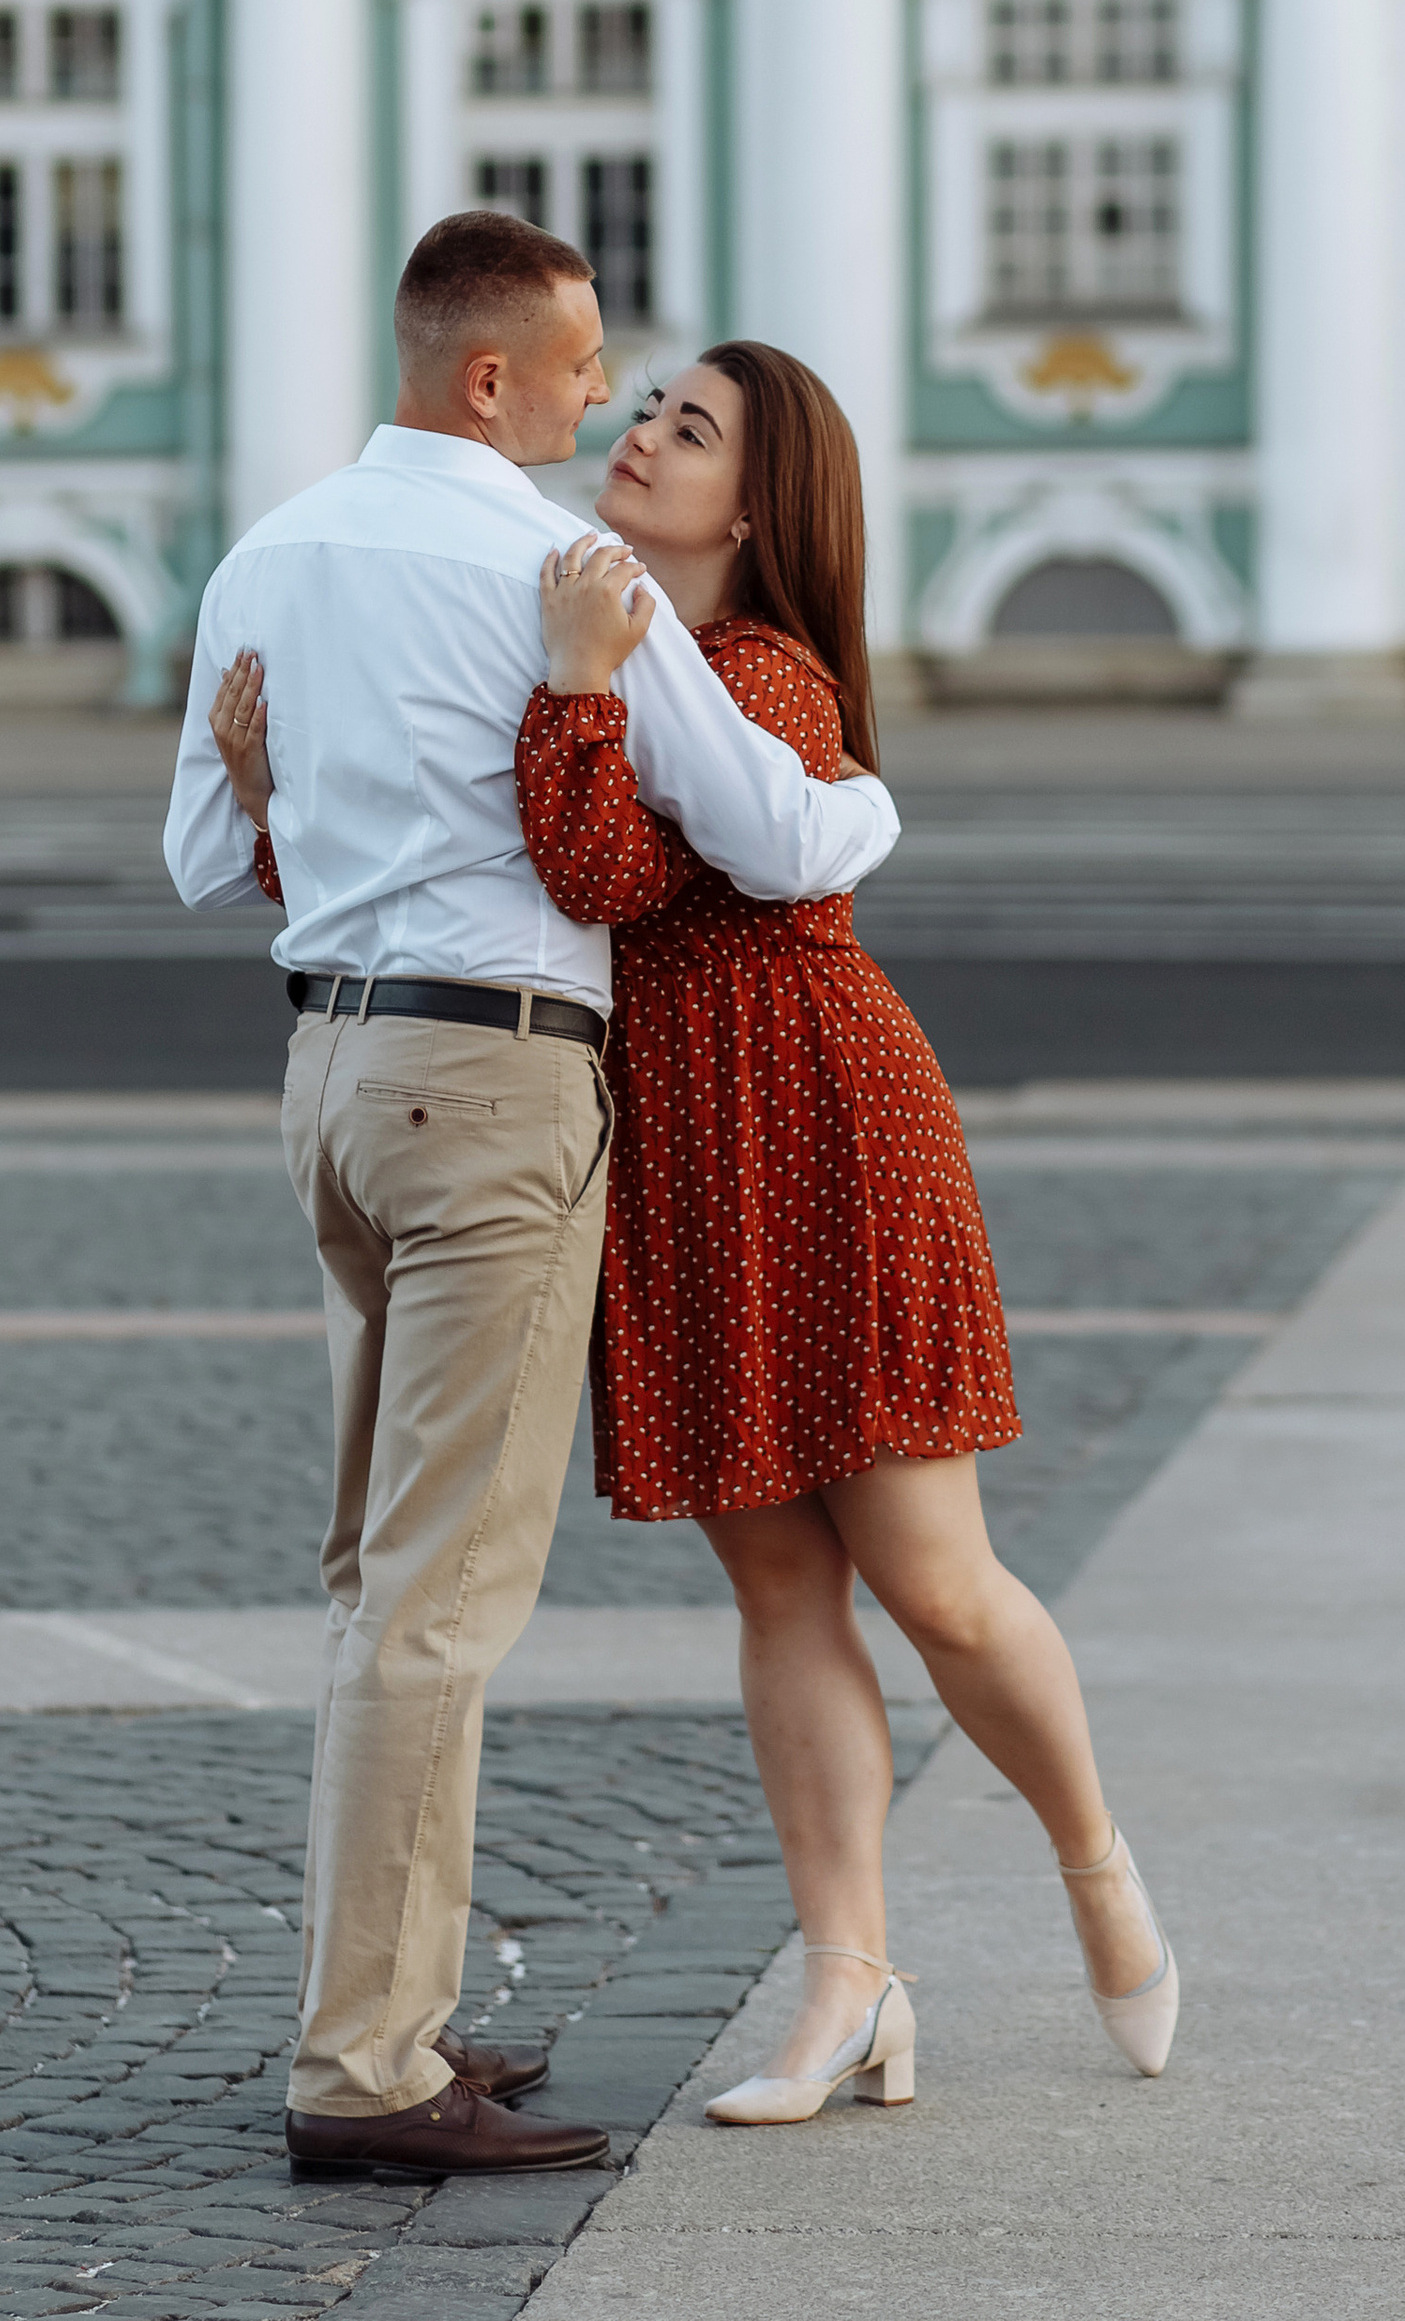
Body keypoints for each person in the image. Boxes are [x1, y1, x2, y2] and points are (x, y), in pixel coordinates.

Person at [165, 217, 902, 2185]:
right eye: (583, 373)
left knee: (369, 1576)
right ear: (489, 377)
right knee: (438, 1599)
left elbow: (187, 851)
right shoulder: (547, 570)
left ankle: (381, 2015)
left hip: (323, 1071)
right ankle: (363, 2073)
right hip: (487, 1087)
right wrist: (876, 809)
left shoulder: (270, 551)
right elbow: (766, 827)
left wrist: (264, 790)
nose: (598, 409)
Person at [508, 345, 1176, 2119]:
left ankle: (1097, 1865)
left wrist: (591, 685)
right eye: (644, 406)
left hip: (818, 1113)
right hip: (677, 1133)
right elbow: (552, 873)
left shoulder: (767, 674)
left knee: (934, 1579)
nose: (641, 435)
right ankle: (847, 1987)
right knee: (780, 1584)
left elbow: (635, 866)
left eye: (690, 429)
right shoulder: (598, 643)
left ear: (762, 501)